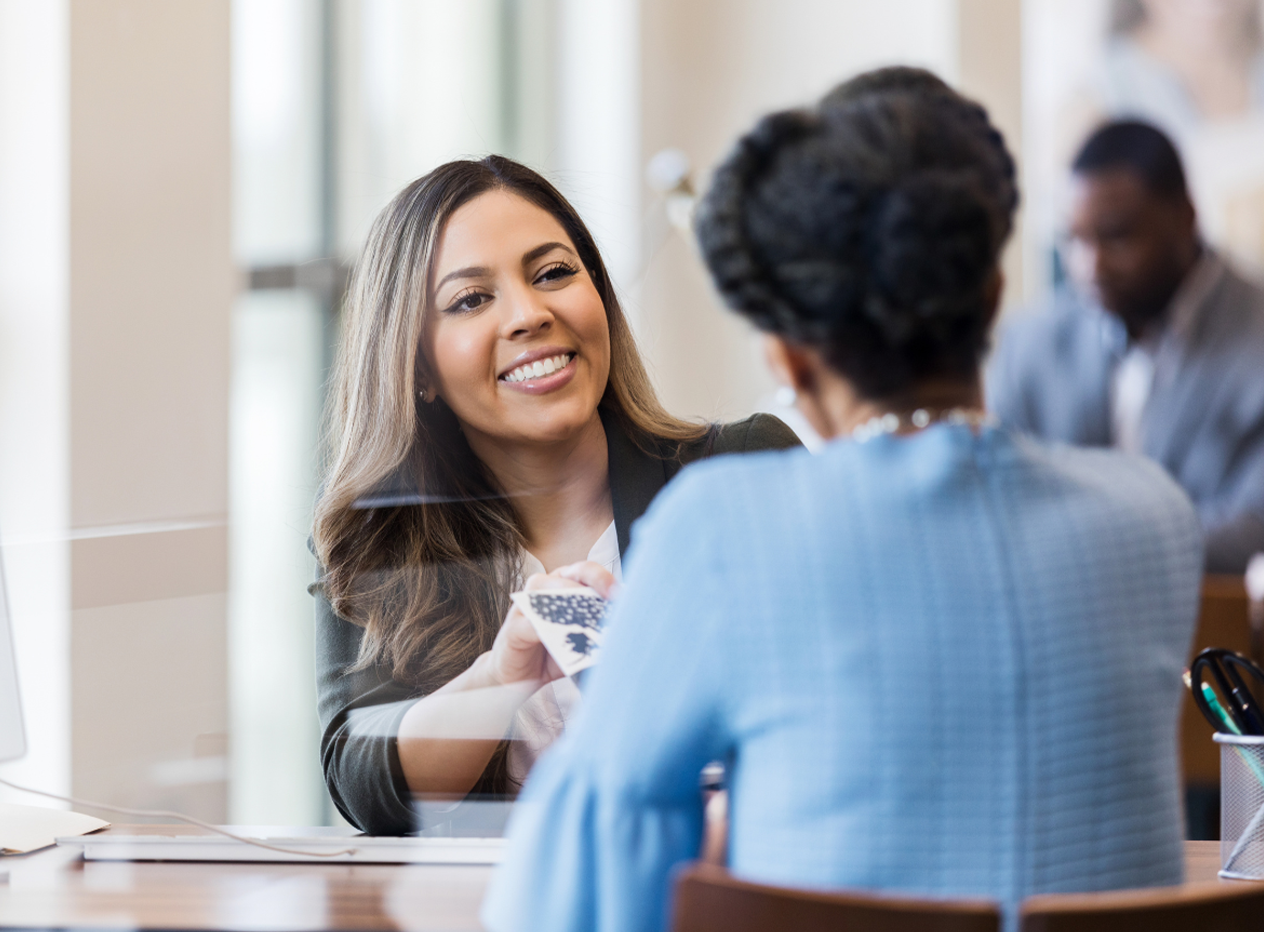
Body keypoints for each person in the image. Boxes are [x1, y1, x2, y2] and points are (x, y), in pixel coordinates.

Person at [483, 70, 1202, 932]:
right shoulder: (1155, 518)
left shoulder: (724, 526)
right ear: (992, 297)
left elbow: (585, 888)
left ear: (785, 358)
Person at [310, 156, 798, 836]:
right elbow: (363, 785)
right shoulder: (381, 538)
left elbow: (843, 716)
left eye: (553, 274)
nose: (530, 314)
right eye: (471, 299)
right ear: (419, 366)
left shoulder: (743, 470)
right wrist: (502, 674)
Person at [988, 120, 1264, 572]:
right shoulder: (1029, 347)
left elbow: (1254, 526)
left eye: (1116, 236)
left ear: (1185, 217)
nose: (1089, 266)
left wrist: (1088, 547)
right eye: (1074, 240)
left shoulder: (1255, 334)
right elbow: (1000, 502)